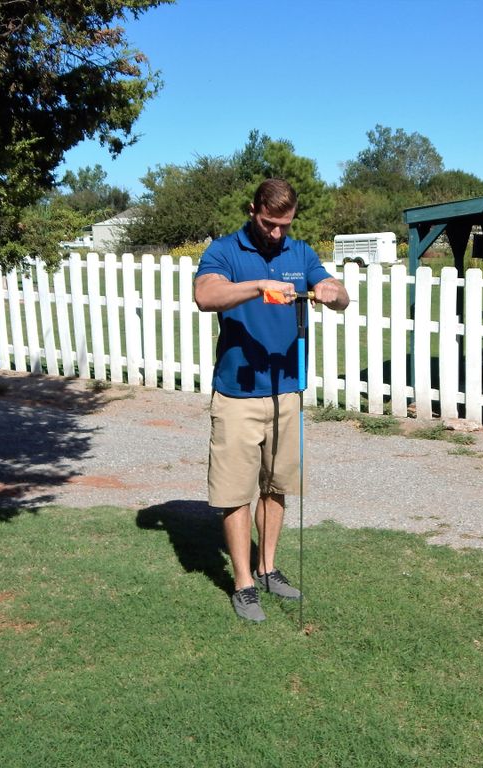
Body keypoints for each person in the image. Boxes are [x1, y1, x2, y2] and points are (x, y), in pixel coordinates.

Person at [194, 179, 349, 622]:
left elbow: (340, 295)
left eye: (284, 225)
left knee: (277, 485)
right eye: (269, 223)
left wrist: (331, 292)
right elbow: (206, 295)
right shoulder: (225, 251)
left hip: (287, 391)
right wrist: (259, 284)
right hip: (238, 395)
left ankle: (268, 568)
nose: (276, 233)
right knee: (235, 491)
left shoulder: (299, 253)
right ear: (252, 211)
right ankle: (243, 583)